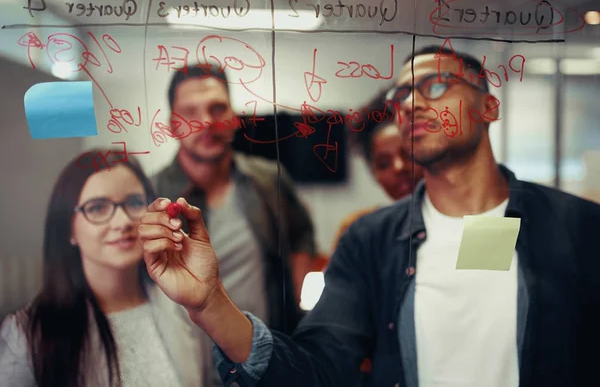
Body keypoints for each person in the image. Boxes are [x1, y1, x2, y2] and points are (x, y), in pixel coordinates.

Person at [137, 44, 600, 387]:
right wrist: (210, 302)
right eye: (401, 96)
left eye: (436, 85)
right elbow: (318, 368)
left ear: (489, 106)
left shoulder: (576, 227)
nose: (413, 104)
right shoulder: (370, 240)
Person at [0, 150, 213, 387]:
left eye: (134, 203)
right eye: (97, 208)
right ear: (69, 229)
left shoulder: (183, 305)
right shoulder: (26, 334)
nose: (122, 222)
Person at [152, 66, 316, 336]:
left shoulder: (268, 178)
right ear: (172, 125)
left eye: (217, 108)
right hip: (187, 364)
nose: (206, 122)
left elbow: (301, 233)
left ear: (234, 117)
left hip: (267, 354)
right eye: (190, 112)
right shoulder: (150, 195)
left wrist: (297, 296)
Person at [332, 88, 424, 251]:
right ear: (374, 173)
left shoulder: (467, 220)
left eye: (409, 154)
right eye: (383, 164)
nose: (398, 167)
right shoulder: (358, 229)